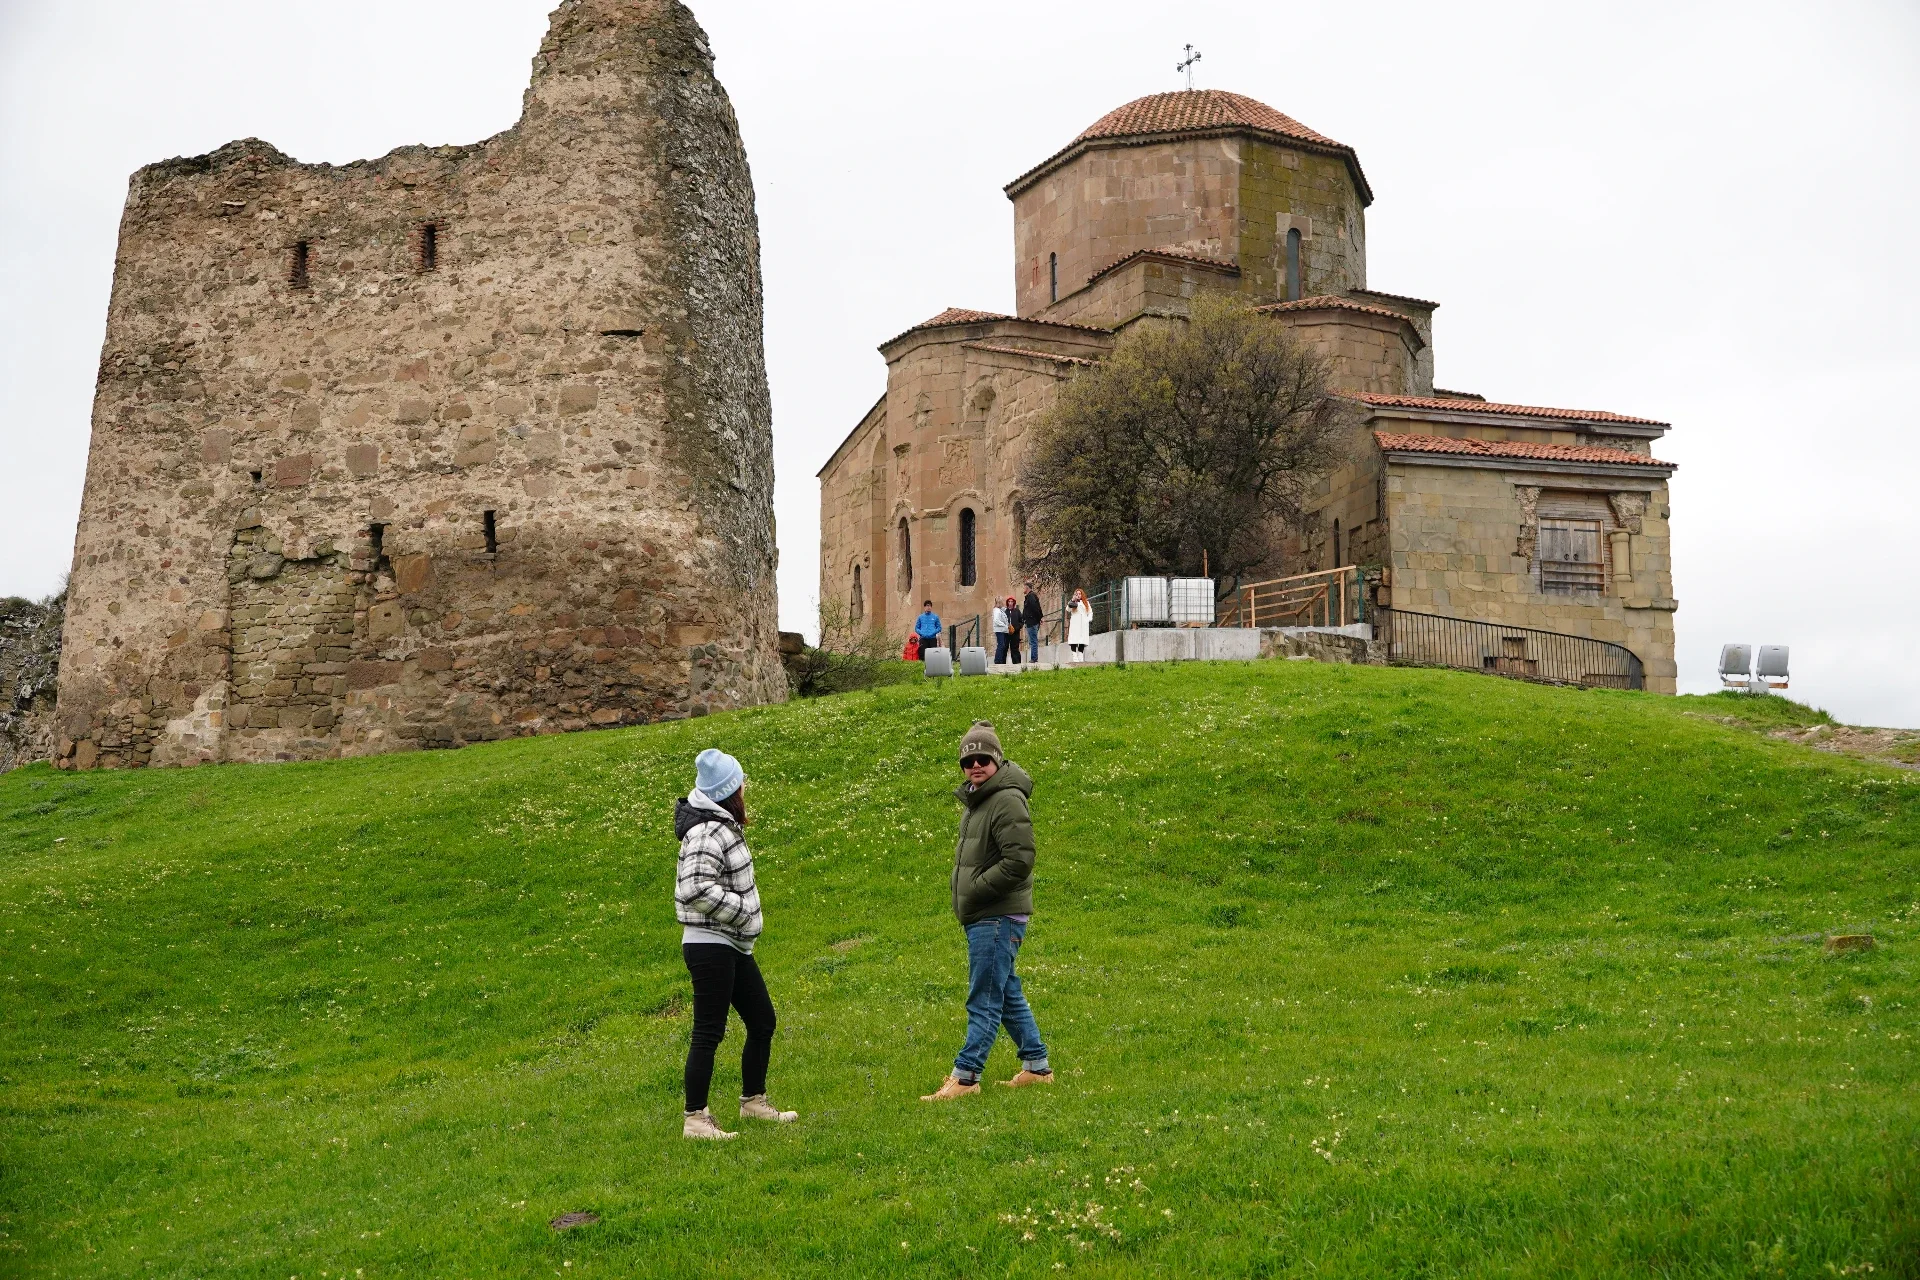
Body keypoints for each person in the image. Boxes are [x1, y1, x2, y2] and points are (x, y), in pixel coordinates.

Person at [923, 721, 1053, 1101]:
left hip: (996, 915)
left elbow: (1020, 860)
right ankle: (1037, 1067)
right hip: (986, 915)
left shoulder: (1006, 799)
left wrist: (976, 891)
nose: (975, 766)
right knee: (1006, 990)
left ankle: (965, 1077)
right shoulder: (980, 799)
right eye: (968, 760)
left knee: (984, 996)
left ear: (996, 759)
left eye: (983, 759)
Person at [675, 748, 798, 1139]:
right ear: (729, 790)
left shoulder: (721, 823)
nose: (746, 787)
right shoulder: (706, 831)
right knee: (708, 1032)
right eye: (741, 782)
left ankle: (754, 1103)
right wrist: (741, 911)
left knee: (762, 1021)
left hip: (731, 946)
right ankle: (696, 1119)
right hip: (710, 945)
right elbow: (693, 888)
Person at [1066, 588, 1093, 662]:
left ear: (1082, 595)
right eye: (1077, 594)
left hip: (1083, 624)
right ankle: (1074, 656)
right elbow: (1068, 609)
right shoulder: (1072, 602)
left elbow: (1090, 612)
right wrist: (1072, 599)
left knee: (1082, 640)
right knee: (1074, 640)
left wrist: (1088, 619)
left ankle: (1080, 656)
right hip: (1075, 624)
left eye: (1079, 594)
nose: (1078, 595)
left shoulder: (1086, 603)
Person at [1020, 583, 1044, 664]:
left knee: (1033, 641)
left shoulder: (1031, 596)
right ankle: (1034, 658)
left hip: (1032, 622)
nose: (1023, 589)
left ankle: (1034, 658)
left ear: (1027, 588)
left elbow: (1035, 608)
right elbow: (1037, 608)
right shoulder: (1030, 597)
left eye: (1024, 588)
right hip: (1031, 622)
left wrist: (1039, 618)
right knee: (1032, 641)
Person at [991, 596, 1014, 666]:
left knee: (1002, 645)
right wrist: (1005, 625)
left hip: (1002, 630)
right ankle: (997, 660)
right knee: (1001, 645)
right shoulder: (997, 611)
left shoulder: (1000, 610)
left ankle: (999, 660)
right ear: (999, 602)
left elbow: (1004, 610)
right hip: (999, 630)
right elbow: (996, 620)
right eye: (1002, 601)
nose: (1003, 603)